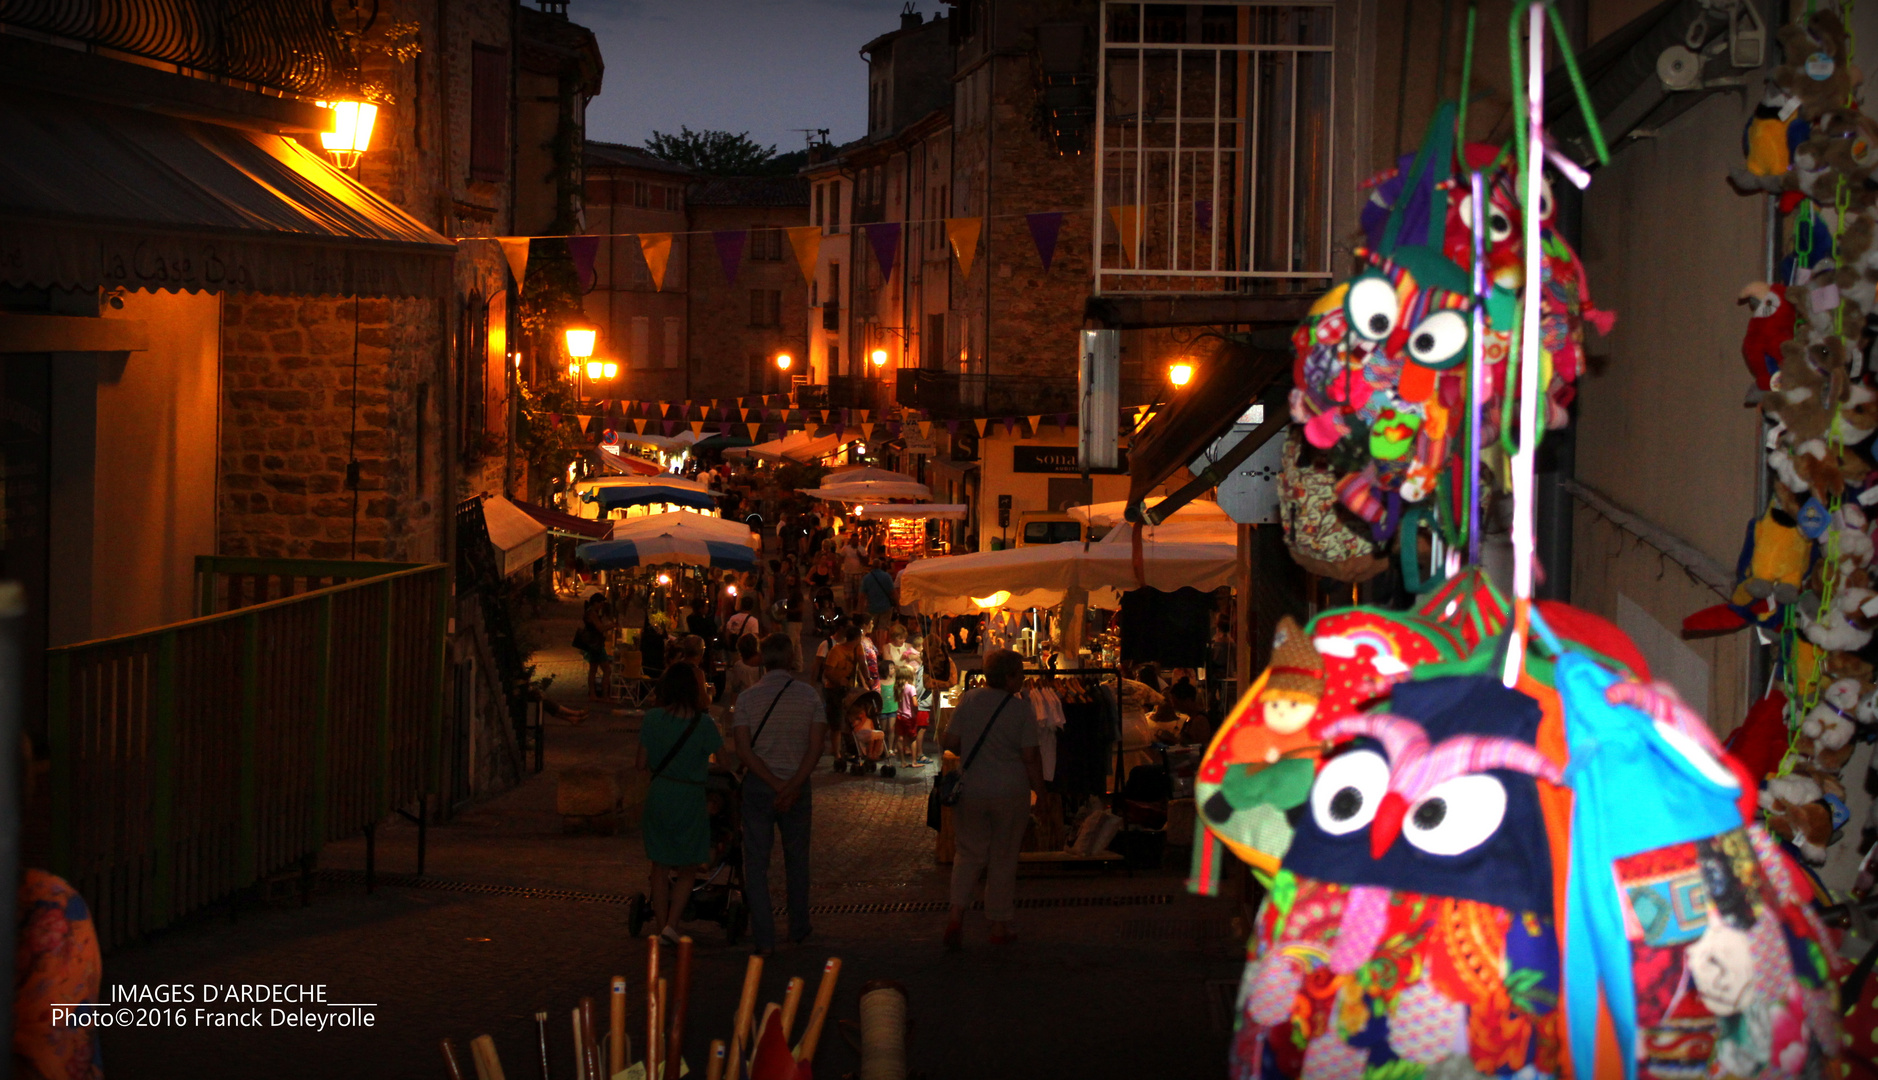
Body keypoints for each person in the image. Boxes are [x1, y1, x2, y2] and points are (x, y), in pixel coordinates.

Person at [942, 648, 1045, 950]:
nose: (1024, 681)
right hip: (1010, 791)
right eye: (1020, 675)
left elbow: (950, 742)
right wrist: (1042, 791)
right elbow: (1030, 757)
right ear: (1010, 676)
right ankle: (998, 924)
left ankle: (956, 915)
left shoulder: (970, 700)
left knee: (968, 853)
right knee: (1003, 857)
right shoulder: (1021, 710)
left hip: (972, 789)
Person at [733, 633, 827, 955]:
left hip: (760, 787)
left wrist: (773, 784)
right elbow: (817, 747)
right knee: (797, 860)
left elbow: (743, 750)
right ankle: (798, 927)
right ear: (790, 659)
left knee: (756, 864)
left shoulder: (747, 699)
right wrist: (793, 785)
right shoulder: (810, 697)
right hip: (796, 786)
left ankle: (764, 937)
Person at [635, 661, 724, 945]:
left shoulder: (652, 719)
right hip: (690, 795)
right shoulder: (704, 724)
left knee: (659, 867)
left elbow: (640, 763)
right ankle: (672, 925)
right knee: (687, 865)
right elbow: (725, 762)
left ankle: (660, 926)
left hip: (660, 793)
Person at [578, 593, 615, 699]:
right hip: (595, 645)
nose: (601, 605)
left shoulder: (591, 612)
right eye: (600, 603)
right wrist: (611, 626)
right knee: (606, 670)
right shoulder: (592, 613)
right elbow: (600, 628)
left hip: (593, 644)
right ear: (595, 603)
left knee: (593, 670)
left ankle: (594, 694)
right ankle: (603, 695)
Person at [859, 557, 896, 638]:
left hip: (872, 607)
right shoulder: (886, 576)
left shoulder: (867, 578)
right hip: (886, 606)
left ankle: (874, 646)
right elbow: (893, 592)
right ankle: (881, 646)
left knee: (872, 628)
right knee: (883, 628)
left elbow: (862, 595)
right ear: (880, 566)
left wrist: (860, 609)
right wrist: (897, 604)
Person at [840, 536, 864, 609]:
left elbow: (865, 561)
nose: (855, 542)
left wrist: (860, 556)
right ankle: (848, 611)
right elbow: (841, 559)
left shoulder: (861, 549)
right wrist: (840, 571)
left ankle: (855, 610)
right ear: (851, 540)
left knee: (857, 595)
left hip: (858, 573)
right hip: (848, 573)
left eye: (856, 540)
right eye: (854, 540)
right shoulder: (846, 549)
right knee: (848, 595)